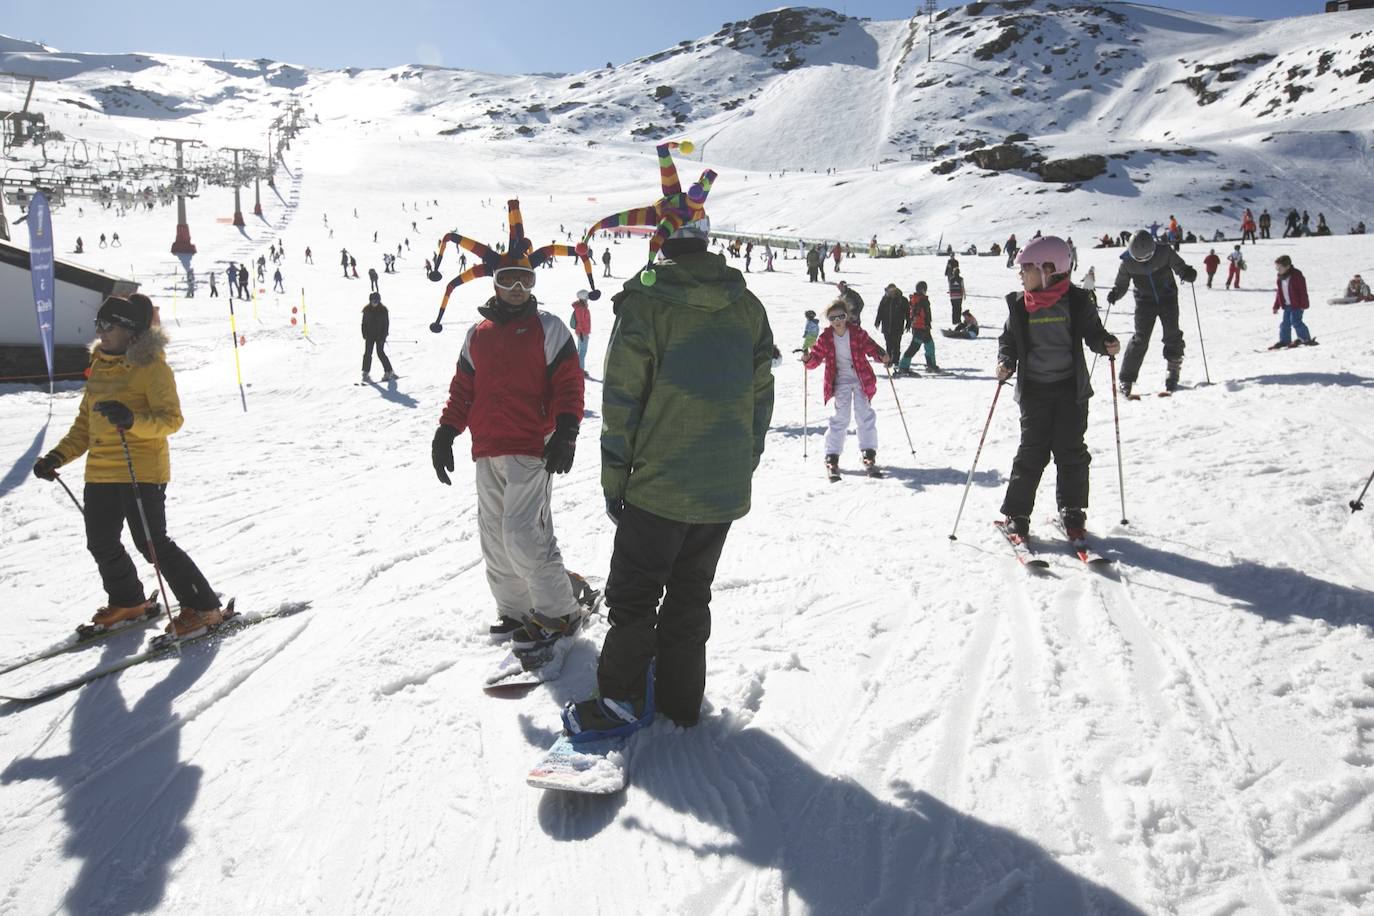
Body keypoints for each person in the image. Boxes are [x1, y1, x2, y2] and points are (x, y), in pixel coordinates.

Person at [562, 148, 773, 739]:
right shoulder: (747, 304)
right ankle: (682, 699)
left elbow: (623, 401)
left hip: (658, 486)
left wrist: (614, 480)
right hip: (721, 489)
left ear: (660, 244)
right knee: (689, 595)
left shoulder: (647, 303)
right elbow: (762, 393)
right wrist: (741, 461)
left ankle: (622, 698)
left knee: (634, 597)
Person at [430, 200, 592, 661]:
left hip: (532, 445)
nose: (518, 288)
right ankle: (518, 610)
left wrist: (566, 432)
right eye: (508, 280)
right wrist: (446, 431)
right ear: (495, 283)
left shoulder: (549, 328)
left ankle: (560, 611)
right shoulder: (477, 334)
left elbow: (567, 383)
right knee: (494, 537)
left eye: (526, 280)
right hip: (488, 447)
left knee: (523, 532)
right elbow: (464, 387)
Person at [31, 294, 224, 637]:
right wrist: (56, 457)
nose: (101, 331)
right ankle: (129, 600)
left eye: (109, 325)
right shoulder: (100, 367)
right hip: (101, 472)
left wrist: (132, 420)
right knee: (101, 542)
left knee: (152, 545)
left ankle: (205, 607)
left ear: (131, 331)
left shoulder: (152, 367)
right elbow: (83, 428)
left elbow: (171, 420)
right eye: (98, 325)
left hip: (143, 471)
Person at [995, 237, 1119, 542]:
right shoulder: (1020, 305)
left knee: (1071, 451)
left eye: (1026, 269)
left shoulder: (1076, 301)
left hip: (1070, 391)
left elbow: (1092, 332)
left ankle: (1072, 511)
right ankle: (1017, 514)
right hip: (1034, 391)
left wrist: (1105, 343)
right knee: (1032, 453)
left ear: (1049, 269)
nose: (1020, 275)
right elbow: (1008, 340)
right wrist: (1006, 360)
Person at [1106, 229, 1197, 396]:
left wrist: (1187, 273)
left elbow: (1180, 267)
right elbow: (1122, 284)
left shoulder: (1164, 252)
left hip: (1168, 298)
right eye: (1138, 258)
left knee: (1172, 334)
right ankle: (1126, 378)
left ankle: (1173, 369)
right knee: (1140, 339)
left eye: (1146, 257)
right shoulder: (1127, 262)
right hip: (1144, 302)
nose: (1142, 261)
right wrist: (1115, 294)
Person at [804, 299, 888, 479]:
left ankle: (868, 452)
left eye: (841, 316)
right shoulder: (826, 338)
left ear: (847, 316)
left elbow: (872, 348)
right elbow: (816, 358)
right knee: (841, 417)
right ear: (829, 320)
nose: (837, 321)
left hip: (861, 379)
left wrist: (882, 357)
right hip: (840, 381)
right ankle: (832, 454)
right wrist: (807, 359)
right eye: (833, 318)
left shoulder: (857, 333)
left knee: (864, 414)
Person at [1269, 255, 1316, 349]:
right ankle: (1285, 340)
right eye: (1276, 268)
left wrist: (1304, 304)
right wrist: (1276, 306)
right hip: (1287, 305)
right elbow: (1279, 293)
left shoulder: (1296, 275)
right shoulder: (1280, 278)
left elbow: (1302, 291)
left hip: (1297, 305)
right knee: (1285, 323)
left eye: (1279, 268)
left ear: (1287, 266)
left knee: (1295, 321)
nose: (1278, 270)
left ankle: (1305, 339)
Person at [898, 281, 939, 374]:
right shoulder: (921, 300)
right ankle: (903, 366)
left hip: (923, 327)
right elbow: (924, 314)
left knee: (930, 346)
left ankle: (931, 365)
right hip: (920, 328)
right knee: (914, 347)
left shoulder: (915, 299)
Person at [361, 291, 397, 382]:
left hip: (380, 336)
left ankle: (389, 371)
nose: (374, 303)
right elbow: (363, 323)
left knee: (380, 353)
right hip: (369, 336)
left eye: (376, 301)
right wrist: (364, 334)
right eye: (373, 301)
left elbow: (386, 324)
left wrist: (383, 336)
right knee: (367, 353)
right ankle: (365, 372)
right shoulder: (366, 310)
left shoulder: (383, 310)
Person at [874, 283, 908, 366]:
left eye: (893, 291)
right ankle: (888, 361)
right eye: (890, 291)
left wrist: (908, 323)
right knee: (888, 345)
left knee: (896, 345)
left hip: (897, 327)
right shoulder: (885, 299)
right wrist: (877, 321)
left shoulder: (902, 300)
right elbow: (880, 311)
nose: (891, 292)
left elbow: (907, 313)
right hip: (886, 326)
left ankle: (896, 361)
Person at [570, 290, 592, 374]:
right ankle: (579, 370)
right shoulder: (580, 309)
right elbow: (581, 322)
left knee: (580, 351)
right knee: (582, 352)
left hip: (582, 332)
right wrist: (582, 333)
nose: (588, 299)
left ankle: (578, 369)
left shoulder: (582, 307)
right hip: (582, 333)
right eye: (586, 297)